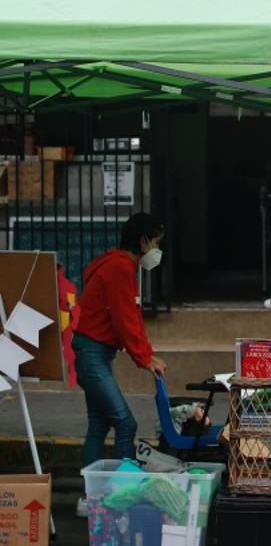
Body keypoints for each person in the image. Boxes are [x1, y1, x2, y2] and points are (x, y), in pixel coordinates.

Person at [73, 212, 168, 515]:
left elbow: (130, 317)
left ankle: (91, 500)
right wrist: (144, 357)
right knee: (125, 424)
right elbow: (124, 317)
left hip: (95, 353)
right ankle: (119, 498)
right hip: (93, 355)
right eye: (155, 243)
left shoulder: (116, 264)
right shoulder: (120, 268)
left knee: (99, 427)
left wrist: (146, 353)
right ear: (143, 241)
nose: (156, 250)